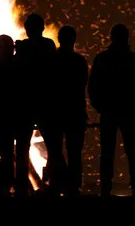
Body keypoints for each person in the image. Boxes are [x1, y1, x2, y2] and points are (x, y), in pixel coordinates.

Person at [89, 24, 135, 197]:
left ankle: (106, 188)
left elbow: (93, 87)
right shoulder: (134, 60)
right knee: (133, 150)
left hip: (109, 112)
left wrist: (101, 107)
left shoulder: (102, 59)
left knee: (107, 152)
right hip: (129, 112)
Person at [14, 13, 57, 196]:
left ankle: (22, 187)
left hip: (27, 103)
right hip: (45, 102)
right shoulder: (48, 46)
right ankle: (55, 184)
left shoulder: (23, 48)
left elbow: (18, 73)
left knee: (23, 147)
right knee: (53, 146)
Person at [47, 25, 88, 195]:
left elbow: (47, 87)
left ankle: (56, 184)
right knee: (74, 153)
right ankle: (73, 186)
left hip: (56, 113)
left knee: (55, 151)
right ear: (73, 40)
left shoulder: (51, 61)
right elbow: (82, 86)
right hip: (75, 113)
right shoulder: (79, 62)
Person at [0, 34, 17, 195]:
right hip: (5, 118)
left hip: (1, 119)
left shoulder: (2, 69)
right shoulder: (15, 67)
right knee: (6, 154)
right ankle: (7, 185)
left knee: (4, 154)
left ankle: (2, 186)